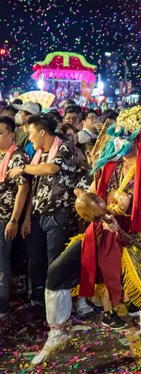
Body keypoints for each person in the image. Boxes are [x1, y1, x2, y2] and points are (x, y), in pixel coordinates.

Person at [30, 104, 141, 374]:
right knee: (56, 272)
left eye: (124, 133)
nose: (117, 138)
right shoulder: (107, 165)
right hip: (101, 234)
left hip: (132, 238)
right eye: (117, 132)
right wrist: (85, 202)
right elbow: (91, 197)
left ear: (136, 137)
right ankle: (58, 332)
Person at [9, 114, 77, 305]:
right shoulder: (38, 155)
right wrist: (27, 219)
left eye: (31, 133)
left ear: (42, 132)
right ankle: (38, 302)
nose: (29, 138)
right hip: (38, 216)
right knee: (35, 261)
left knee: (54, 262)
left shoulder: (65, 147)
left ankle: (56, 305)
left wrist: (23, 168)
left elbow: (51, 169)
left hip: (58, 215)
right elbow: (34, 189)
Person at [0, 116, 29, 320]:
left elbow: (23, 190)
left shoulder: (18, 157)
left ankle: (2, 305)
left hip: (4, 217)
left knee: (1, 262)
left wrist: (14, 220)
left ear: (12, 135)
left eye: (0, 132)